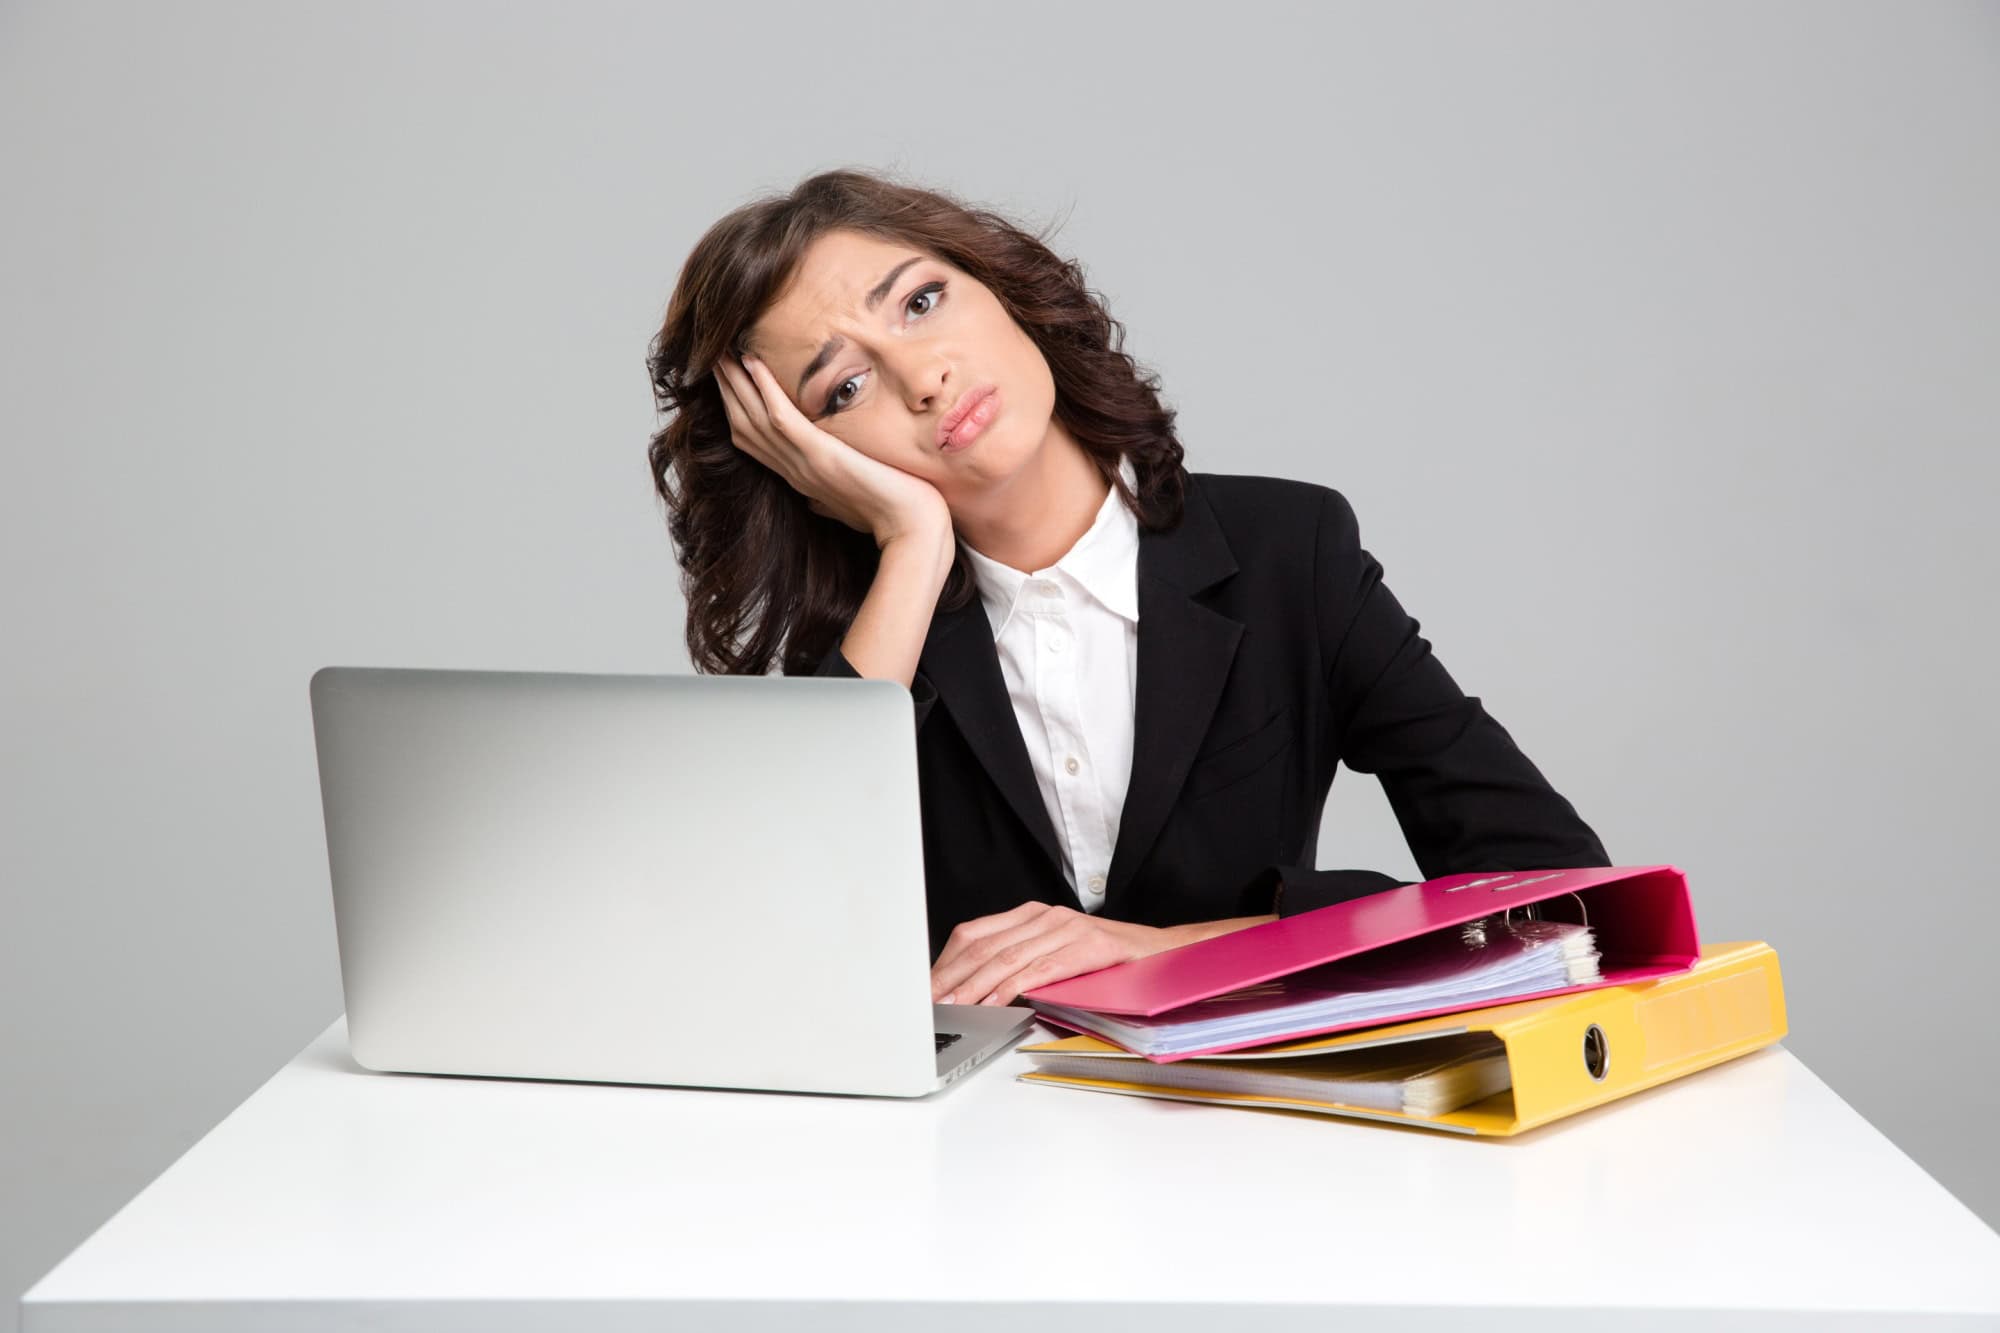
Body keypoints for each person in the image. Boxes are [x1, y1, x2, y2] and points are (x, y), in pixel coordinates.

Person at [645, 168, 1609, 1012]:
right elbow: (762, 975)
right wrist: (910, 544)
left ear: (1001, 285)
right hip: (969, 1180)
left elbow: (1564, 896)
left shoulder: (1290, 552)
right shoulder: (869, 663)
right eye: (843, 389)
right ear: (803, 459)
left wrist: (1170, 949)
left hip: (1272, 1145)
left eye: (922, 302)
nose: (923, 377)